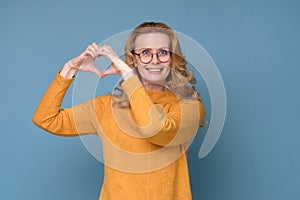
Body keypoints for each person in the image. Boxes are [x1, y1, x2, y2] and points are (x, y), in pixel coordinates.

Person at [32, 22, 206, 200]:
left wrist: (128, 75)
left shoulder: (189, 107)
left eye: (163, 52)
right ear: (134, 59)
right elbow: (46, 119)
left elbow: (156, 128)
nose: (154, 60)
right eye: (145, 53)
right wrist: (70, 69)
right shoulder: (107, 107)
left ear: (172, 58)